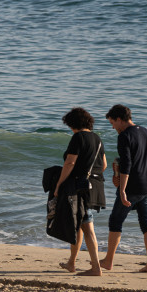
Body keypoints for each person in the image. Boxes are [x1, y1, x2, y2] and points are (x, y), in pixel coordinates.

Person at [100, 104, 147, 273]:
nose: (113, 127)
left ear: (119, 120)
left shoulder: (124, 136)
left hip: (132, 187)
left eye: (112, 123)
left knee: (115, 221)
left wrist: (122, 190)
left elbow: (127, 164)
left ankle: (108, 261)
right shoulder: (146, 132)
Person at [52, 107, 107, 276]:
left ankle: (96, 268)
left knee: (87, 225)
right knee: (80, 225)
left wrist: (59, 185)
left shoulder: (78, 137)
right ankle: (71, 263)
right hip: (95, 185)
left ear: (73, 123)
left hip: (80, 188)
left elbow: (70, 163)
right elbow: (103, 165)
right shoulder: (97, 138)